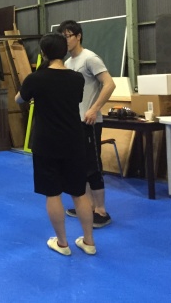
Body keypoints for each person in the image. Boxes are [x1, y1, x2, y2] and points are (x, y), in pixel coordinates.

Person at [15, 33, 95, 255]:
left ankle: (62, 243)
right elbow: (74, 100)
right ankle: (89, 242)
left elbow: (19, 99)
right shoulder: (77, 78)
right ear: (64, 50)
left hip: (46, 142)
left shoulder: (35, 78)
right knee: (79, 193)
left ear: (43, 53)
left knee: (53, 193)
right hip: (74, 141)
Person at [57, 20, 116, 228]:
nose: (65, 40)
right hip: (74, 123)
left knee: (93, 165)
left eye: (68, 36)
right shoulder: (67, 63)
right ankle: (88, 206)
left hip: (89, 121)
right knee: (80, 166)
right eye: (62, 37)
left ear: (78, 36)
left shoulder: (90, 58)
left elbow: (109, 84)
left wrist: (94, 109)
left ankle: (101, 210)